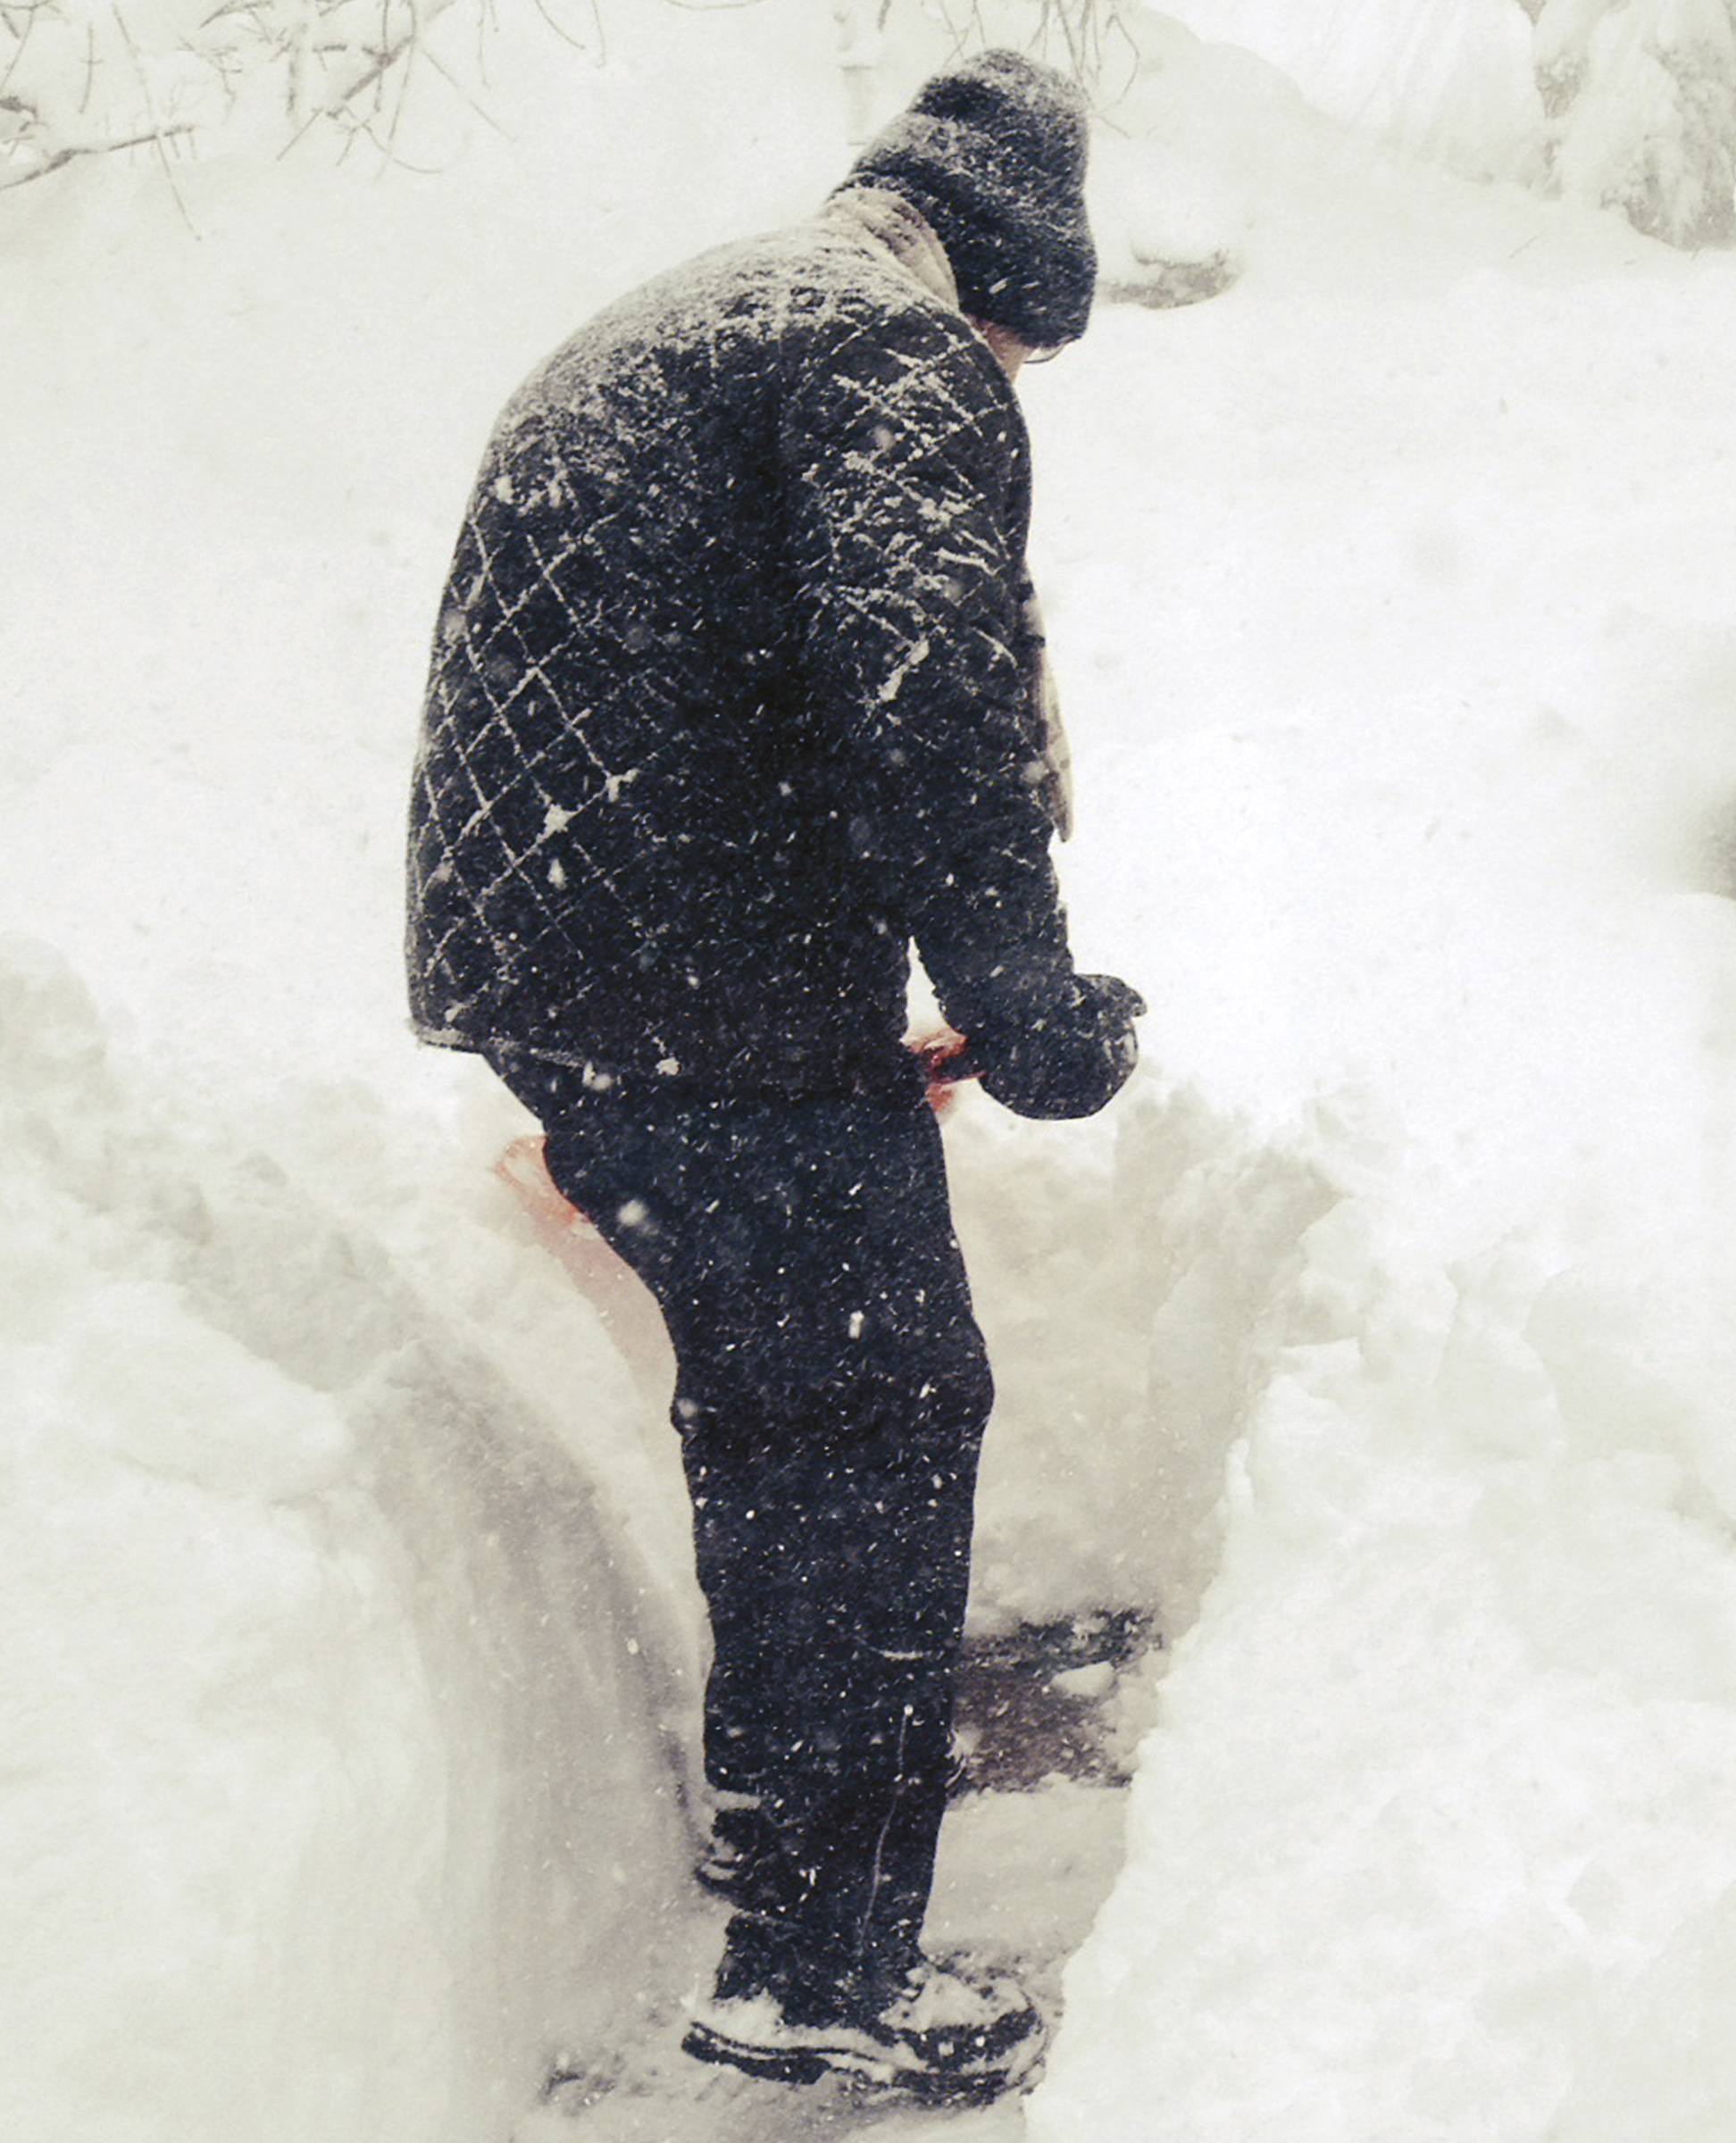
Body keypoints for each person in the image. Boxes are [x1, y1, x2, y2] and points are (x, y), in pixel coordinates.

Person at [403, 51, 1141, 2105]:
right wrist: (1029, 1012)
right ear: (1010, 276)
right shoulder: (895, 356)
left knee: (789, 1407)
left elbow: (712, 676)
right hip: (689, 975)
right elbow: (928, 696)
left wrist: (801, 1019)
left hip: (577, 964)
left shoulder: (702, 314)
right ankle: (822, 1970)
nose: (1013, 372)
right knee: (884, 1422)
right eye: (1026, 340)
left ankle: (775, 1831)